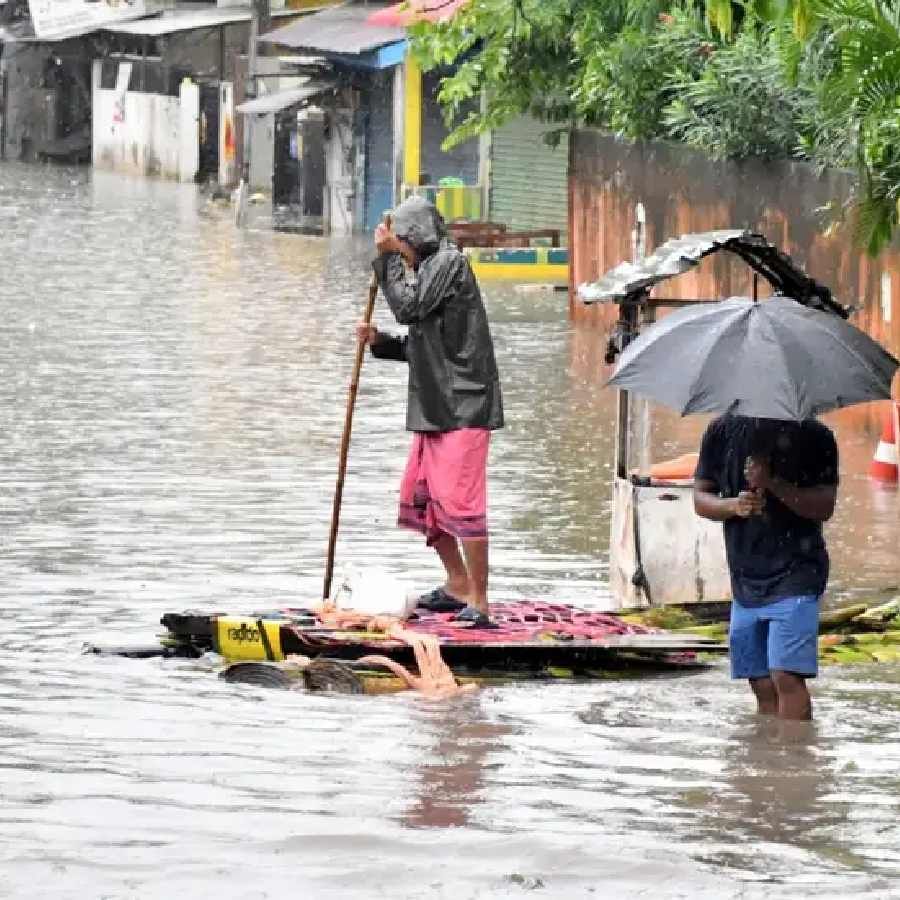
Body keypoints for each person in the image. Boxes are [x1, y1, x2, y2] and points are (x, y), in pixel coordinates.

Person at [356, 196, 503, 616]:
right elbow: (424, 341)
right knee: (422, 499)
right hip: (435, 408)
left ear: (415, 237)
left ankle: (479, 599)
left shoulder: (448, 263)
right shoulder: (426, 270)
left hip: (464, 407)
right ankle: (457, 583)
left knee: (461, 504)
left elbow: (409, 308)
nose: (398, 252)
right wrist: (381, 344)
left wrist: (384, 262)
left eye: (400, 244)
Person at [693, 415, 839, 720]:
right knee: (759, 680)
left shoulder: (814, 435)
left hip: (797, 572)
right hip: (745, 576)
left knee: (786, 675)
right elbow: (701, 497)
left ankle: (794, 759)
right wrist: (732, 505)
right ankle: (769, 758)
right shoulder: (721, 431)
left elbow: (824, 507)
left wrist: (772, 483)